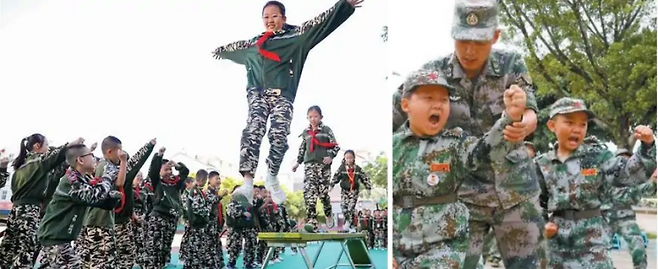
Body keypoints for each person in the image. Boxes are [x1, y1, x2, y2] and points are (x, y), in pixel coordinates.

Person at [391, 0, 546, 267]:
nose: (470, 50)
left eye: (479, 41)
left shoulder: (511, 64)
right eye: (462, 40)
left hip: (515, 191)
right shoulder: (432, 73)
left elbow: (530, 110)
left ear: (495, 36)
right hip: (462, 198)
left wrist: (524, 121)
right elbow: (393, 116)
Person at [212, 0, 363, 204]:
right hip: (257, 94)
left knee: (279, 134)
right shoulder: (254, 44)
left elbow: (319, 23)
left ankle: (272, 176)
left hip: (282, 95)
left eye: (274, 16)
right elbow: (235, 48)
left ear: (283, 18)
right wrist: (221, 52)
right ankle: (247, 181)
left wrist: (344, 6)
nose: (270, 21)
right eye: (266, 17)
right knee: (253, 128)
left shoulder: (296, 38)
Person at [392, 69, 524, 268]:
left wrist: (509, 118)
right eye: (428, 98)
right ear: (406, 105)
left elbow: (484, 150)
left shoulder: (455, 143)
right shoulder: (394, 145)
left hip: (446, 247)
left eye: (444, 100)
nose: (438, 105)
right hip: (401, 245)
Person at [536, 97, 656, 268]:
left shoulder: (599, 158)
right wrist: (541, 226)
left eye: (582, 124)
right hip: (557, 245)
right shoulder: (542, 164)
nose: (576, 129)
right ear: (552, 126)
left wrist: (648, 145)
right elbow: (536, 202)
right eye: (569, 122)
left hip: (592, 244)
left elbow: (632, 174)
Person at [0, 134, 83, 268]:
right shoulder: (37, 162)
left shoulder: (21, 164)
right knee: (25, 252)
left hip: (16, 212)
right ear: (37, 146)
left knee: (8, 250)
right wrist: (70, 145)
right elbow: (54, 158)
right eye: (46, 145)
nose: (48, 148)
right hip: (29, 213)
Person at [36, 144, 121, 268]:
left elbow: (99, 200)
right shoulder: (73, 180)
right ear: (80, 160)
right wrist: (108, 176)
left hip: (56, 238)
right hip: (56, 239)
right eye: (91, 156)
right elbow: (94, 196)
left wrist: (113, 197)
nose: (94, 159)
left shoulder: (81, 179)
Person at [601, 151, 657, 269]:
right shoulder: (604, 178)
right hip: (604, 220)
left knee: (638, 246)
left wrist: (654, 181)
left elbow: (645, 190)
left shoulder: (633, 182)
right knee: (598, 250)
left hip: (626, 219)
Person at [293, 105, 340, 232]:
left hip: (323, 166)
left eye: (315, 116)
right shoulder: (305, 133)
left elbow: (335, 146)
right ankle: (312, 223)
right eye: (310, 117)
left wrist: (330, 156)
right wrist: (297, 163)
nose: (313, 119)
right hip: (309, 166)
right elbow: (302, 149)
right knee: (309, 194)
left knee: (323, 193)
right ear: (307, 118)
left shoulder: (326, 130)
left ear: (321, 117)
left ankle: (328, 214)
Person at [144, 147, 190, 268]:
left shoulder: (176, 183)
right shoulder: (157, 182)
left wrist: (177, 166)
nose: (169, 172)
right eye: (166, 169)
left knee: (165, 250)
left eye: (171, 169)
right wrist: (159, 155)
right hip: (158, 219)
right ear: (159, 171)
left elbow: (185, 172)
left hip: (171, 219)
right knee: (154, 250)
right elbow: (153, 171)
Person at [330, 149, 372, 231]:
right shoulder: (342, 168)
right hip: (345, 191)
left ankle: (349, 224)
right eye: (347, 158)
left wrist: (368, 188)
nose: (349, 160)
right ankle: (349, 223)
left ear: (354, 158)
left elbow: (365, 178)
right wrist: (331, 186)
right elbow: (335, 177)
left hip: (354, 191)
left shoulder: (358, 169)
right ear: (345, 158)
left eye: (350, 158)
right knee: (343, 207)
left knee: (351, 208)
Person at [182, 170, 212, 269]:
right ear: (203, 179)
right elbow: (196, 207)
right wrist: (207, 211)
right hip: (196, 225)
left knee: (197, 250)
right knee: (194, 251)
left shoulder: (198, 190)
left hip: (199, 225)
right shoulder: (195, 191)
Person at [226, 185, 259, 269]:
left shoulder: (248, 202)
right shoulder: (232, 203)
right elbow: (231, 212)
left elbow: (255, 206)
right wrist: (242, 213)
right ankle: (231, 264)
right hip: (236, 228)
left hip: (248, 227)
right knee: (235, 246)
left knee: (251, 245)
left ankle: (248, 263)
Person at [205, 171, 228, 269]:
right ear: (209, 180)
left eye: (219, 178)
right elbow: (212, 200)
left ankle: (219, 264)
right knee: (210, 246)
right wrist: (221, 195)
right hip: (209, 225)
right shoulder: (207, 192)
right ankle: (211, 265)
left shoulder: (215, 191)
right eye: (216, 178)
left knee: (217, 244)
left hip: (215, 224)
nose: (219, 181)